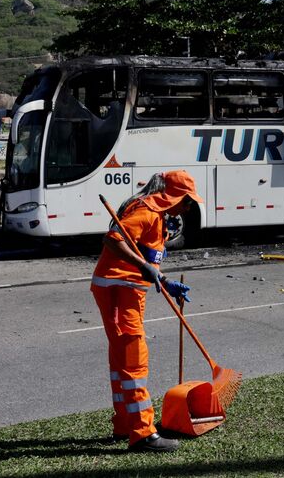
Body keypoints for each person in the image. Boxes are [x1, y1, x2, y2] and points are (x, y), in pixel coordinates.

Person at [91, 171, 199, 453]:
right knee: (134, 362)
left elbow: (145, 256)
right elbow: (114, 239)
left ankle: (125, 424)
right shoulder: (148, 211)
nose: (188, 208)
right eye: (187, 201)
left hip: (125, 289)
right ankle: (142, 434)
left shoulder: (158, 216)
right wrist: (144, 268)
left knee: (121, 364)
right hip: (119, 290)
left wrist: (163, 281)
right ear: (174, 196)